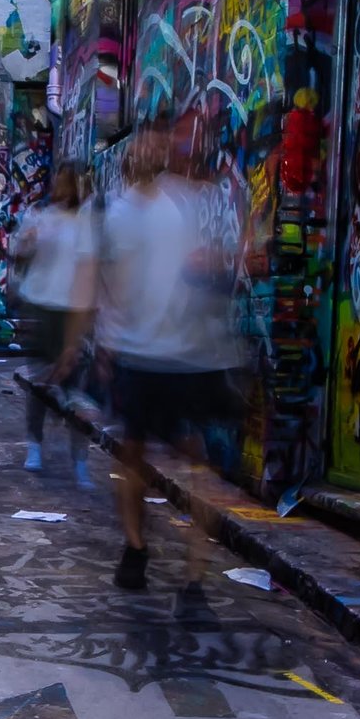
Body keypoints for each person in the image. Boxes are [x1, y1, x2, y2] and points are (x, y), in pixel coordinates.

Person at [94, 119, 239, 599]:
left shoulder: (187, 201)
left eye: (158, 145)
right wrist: (108, 340)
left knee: (196, 465)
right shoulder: (118, 213)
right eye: (143, 146)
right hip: (141, 354)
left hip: (189, 357)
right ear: (131, 157)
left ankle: (194, 575)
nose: (151, 153)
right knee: (136, 458)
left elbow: (217, 259)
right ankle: (136, 549)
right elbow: (111, 282)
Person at [7, 162, 97, 480]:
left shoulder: (88, 224)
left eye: (67, 184)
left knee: (78, 388)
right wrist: (25, 244)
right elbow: (18, 259)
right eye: (58, 183)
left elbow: (92, 270)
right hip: (40, 307)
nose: (61, 190)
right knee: (40, 384)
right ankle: (35, 444)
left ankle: (80, 460)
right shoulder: (40, 217)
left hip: (72, 310)